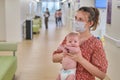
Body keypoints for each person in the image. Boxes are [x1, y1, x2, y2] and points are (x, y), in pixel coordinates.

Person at [52, 6, 108, 80]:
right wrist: (64, 54)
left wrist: (80, 59)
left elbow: (102, 75)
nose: (76, 21)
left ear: (90, 23)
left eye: (80, 19)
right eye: (76, 18)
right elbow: (54, 58)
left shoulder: (95, 43)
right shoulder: (69, 37)